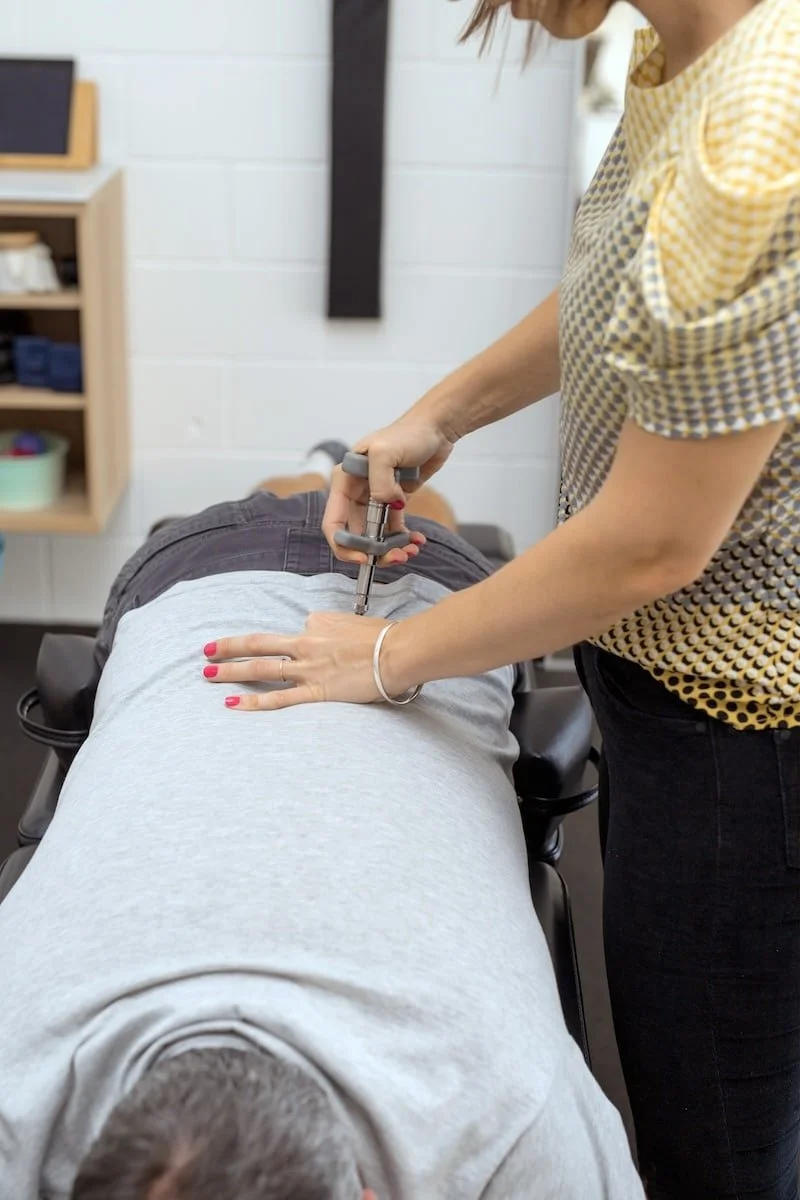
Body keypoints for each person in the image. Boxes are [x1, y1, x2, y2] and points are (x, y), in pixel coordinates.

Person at [213, 4, 800, 1199]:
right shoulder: (675, 49)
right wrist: (444, 409)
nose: (503, 9)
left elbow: (646, 546)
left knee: (718, 1144)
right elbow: (617, 291)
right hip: (651, 679)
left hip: (745, 729)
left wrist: (385, 657)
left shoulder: (759, 128)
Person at [0, 457, 644, 1200]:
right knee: (385, 494)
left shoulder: (508, 1108)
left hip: (254, 585)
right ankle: (322, 464)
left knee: (388, 492)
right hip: (211, 595)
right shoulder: (511, 1113)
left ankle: (321, 464)